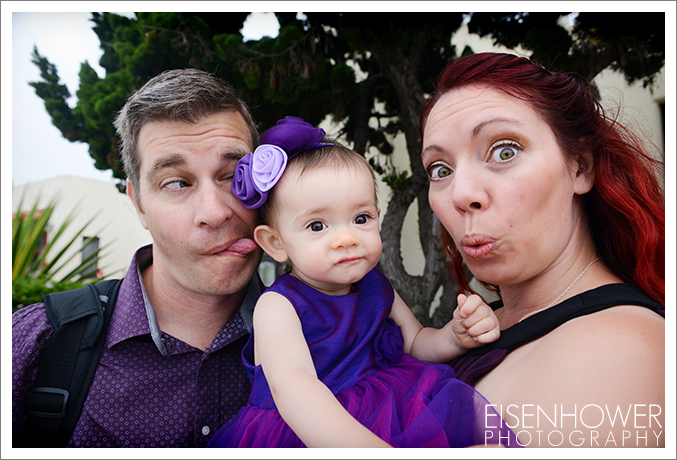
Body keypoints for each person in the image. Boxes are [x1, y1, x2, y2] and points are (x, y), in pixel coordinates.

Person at [206, 116, 519, 448]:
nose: (347, 238)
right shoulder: (278, 305)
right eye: (317, 226)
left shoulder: (375, 285)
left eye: (360, 218)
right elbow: (294, 386)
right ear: (276, 243)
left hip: (388, 404)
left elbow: (415, 342)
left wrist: (454, 337)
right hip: (311, 429)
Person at [420, 52, 665, 448]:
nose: (461, 194)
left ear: (580, 167)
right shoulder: (467, 331)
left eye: (504, 151)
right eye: (440, 170)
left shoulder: (622, 349)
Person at [12, 69, 264, 447]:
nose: (215, 212)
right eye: (177, 182)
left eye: (232, 175)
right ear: (138, 204)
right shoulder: (33, 343)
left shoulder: (332, 339)